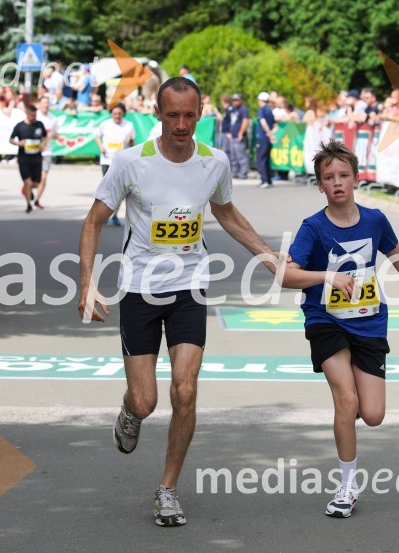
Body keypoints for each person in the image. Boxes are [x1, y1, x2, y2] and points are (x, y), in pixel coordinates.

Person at [78, 77, 282, 527]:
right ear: (157, 114)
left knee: (185, 390)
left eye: (190, 115)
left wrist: (268, 257)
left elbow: (226, 212)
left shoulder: (214, 162)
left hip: (190, 285)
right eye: (172, 115)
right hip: (139, 288)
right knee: (147, 400)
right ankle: (130, 410)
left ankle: (167, 489)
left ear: (201, 113)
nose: (181, 125)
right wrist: (87, 283)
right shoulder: (131, 163)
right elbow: (94, 221)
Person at [280, 139, 399, 518]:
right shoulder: (313, 228)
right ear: (320, 185)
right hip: (325, 321)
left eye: (344, 175)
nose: (337, 182)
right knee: (346, 399)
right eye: (329, 177)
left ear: (357, 178)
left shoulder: (375, 220)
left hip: (370, 321)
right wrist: (327, 277)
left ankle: (351, 415)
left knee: (371, 414)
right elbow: (285, 275)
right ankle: (347, 486)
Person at [94, 102, 135, 226]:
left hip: (122, 163)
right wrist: (101, 147)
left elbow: (132, 143)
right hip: (107, 160)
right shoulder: (105, 124)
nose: (117, 116)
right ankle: (104, 215)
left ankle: (115, 215)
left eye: (120, 113)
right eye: (115, 113)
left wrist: (130, 140)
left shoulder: (129, 125)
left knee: (120, 191)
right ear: (111, 113)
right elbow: (97, 136)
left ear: (123, 114)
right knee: (107, 190)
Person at [10, 102, 47, 213]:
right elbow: (11, 139)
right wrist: (18, 143)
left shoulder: (40, 124)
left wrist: (43, 145)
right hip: (24, 158)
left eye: (35, 115)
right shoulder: (20, 126)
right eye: (32, 115)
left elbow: (45, 137)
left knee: (36, 183)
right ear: (27, 113)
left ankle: (26, 189)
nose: (34, 117)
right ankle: (28, 205)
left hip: (36, 157)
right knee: (28, 182)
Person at [34, 95, 59, 208]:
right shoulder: (35, 117)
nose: (46, 105)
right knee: (32, 179)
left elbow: (57, 135)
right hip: (33, 152)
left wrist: (53, 134)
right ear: (39, 104)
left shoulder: (53, 118)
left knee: (43, 178)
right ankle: (27, 189)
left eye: (47, 103)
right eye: (44, 103)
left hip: (46, 152)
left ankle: (36, 200)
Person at [223, 93, 249, 179]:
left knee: (240, 155)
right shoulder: (233, 109)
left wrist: (241, 133)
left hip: (239, 136)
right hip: (232, 135)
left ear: (240, 100)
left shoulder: (243, 109)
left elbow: (245, 121)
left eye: (237, 100)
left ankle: (243, 173)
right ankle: (234, 172)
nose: (235, 102)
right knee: (233, 156)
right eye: (234, 100)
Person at [255, 91, 276, 188]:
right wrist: (271, 134)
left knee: (261, 159)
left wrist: (268, 133)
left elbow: (263, 122)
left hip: (263, 137)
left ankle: (264, 180)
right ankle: (269, 179)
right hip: (268, 138)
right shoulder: (270, 110)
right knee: (267, 159)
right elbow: (275, 126)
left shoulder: (262, 109)